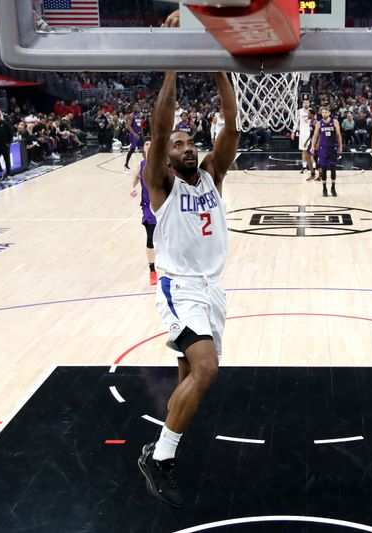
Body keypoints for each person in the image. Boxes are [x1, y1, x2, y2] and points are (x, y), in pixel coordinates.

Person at [137, 71, 239, 509]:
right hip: (180, 286)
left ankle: (162, 446)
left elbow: (231, 125)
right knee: (206, 368)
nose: (187, 147)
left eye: (190, 142)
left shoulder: (213, 173)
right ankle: (160, 457)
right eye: (178, 145)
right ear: (164, 157)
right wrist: (173, 65)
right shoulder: (160, 185)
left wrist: (218, 67)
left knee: (189, 378)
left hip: (211, 288)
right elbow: (160, 127)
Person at [130, 140, 158, 286]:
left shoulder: (162, 163)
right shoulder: (141, 165)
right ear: (143, 148)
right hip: (148, 206)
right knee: (150, 239)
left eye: (151, 144)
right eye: (147, 144)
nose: (149, 145)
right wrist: (132, 187)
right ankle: (152, 271)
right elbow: (136, 176)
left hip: (163, 207)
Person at [311, 105, 343, 197]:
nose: (324, 114)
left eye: (325, 112)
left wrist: (340, 146)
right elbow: (315, 136)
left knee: (333, 169)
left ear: (329, 113)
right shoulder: (319, 123)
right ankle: (324, 188)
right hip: (323, 148)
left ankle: (333, 187)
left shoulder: (335, 122)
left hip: (332, 147)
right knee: (323, 169)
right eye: (323, 112)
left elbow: (338, 135)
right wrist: (312, 146)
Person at [292, 99, 313, 177]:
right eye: (305, 103)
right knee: (304, 151)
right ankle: (304, 167)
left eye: (307, 102)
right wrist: (293, 132)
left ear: (309, 103)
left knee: (311, 150)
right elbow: (296, 123)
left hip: (310, 133)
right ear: (302, 104)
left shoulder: (312, 111)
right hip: (303, 133)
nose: (306, 104)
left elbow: (314, 122)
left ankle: (313, 167)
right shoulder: (299, 111)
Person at [124, 103, 146, 170]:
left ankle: (146, 163)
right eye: (136, 107)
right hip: (134, 134)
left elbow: (141, 125)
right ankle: (126, 164)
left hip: (139, 134)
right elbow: (128, 126)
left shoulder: (140, 115)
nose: (137, 108)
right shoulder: (132, 115)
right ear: (134, 108)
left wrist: (142, 134)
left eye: (138, 107)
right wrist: (134, 134)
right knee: (133, 149)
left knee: (143, 149)